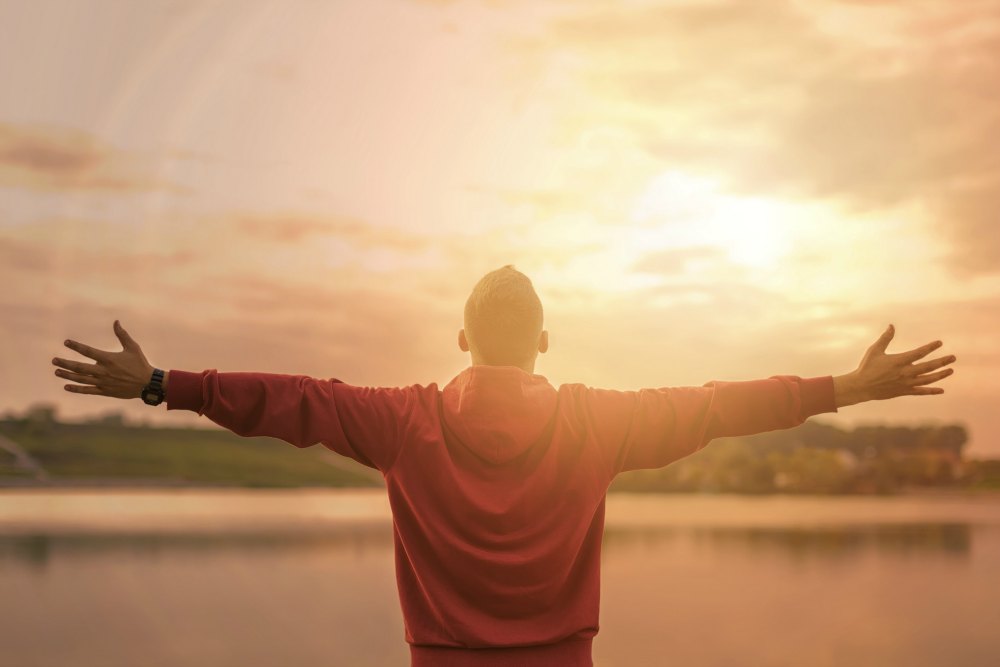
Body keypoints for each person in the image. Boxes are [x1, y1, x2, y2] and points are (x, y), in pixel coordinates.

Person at [52, 265, 955, 667]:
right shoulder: (595, 423)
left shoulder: (403, 421)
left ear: (460, 340)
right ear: (547, 342)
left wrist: (165, 383)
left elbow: (291, 399)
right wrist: (845, 386)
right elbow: (720, 403)